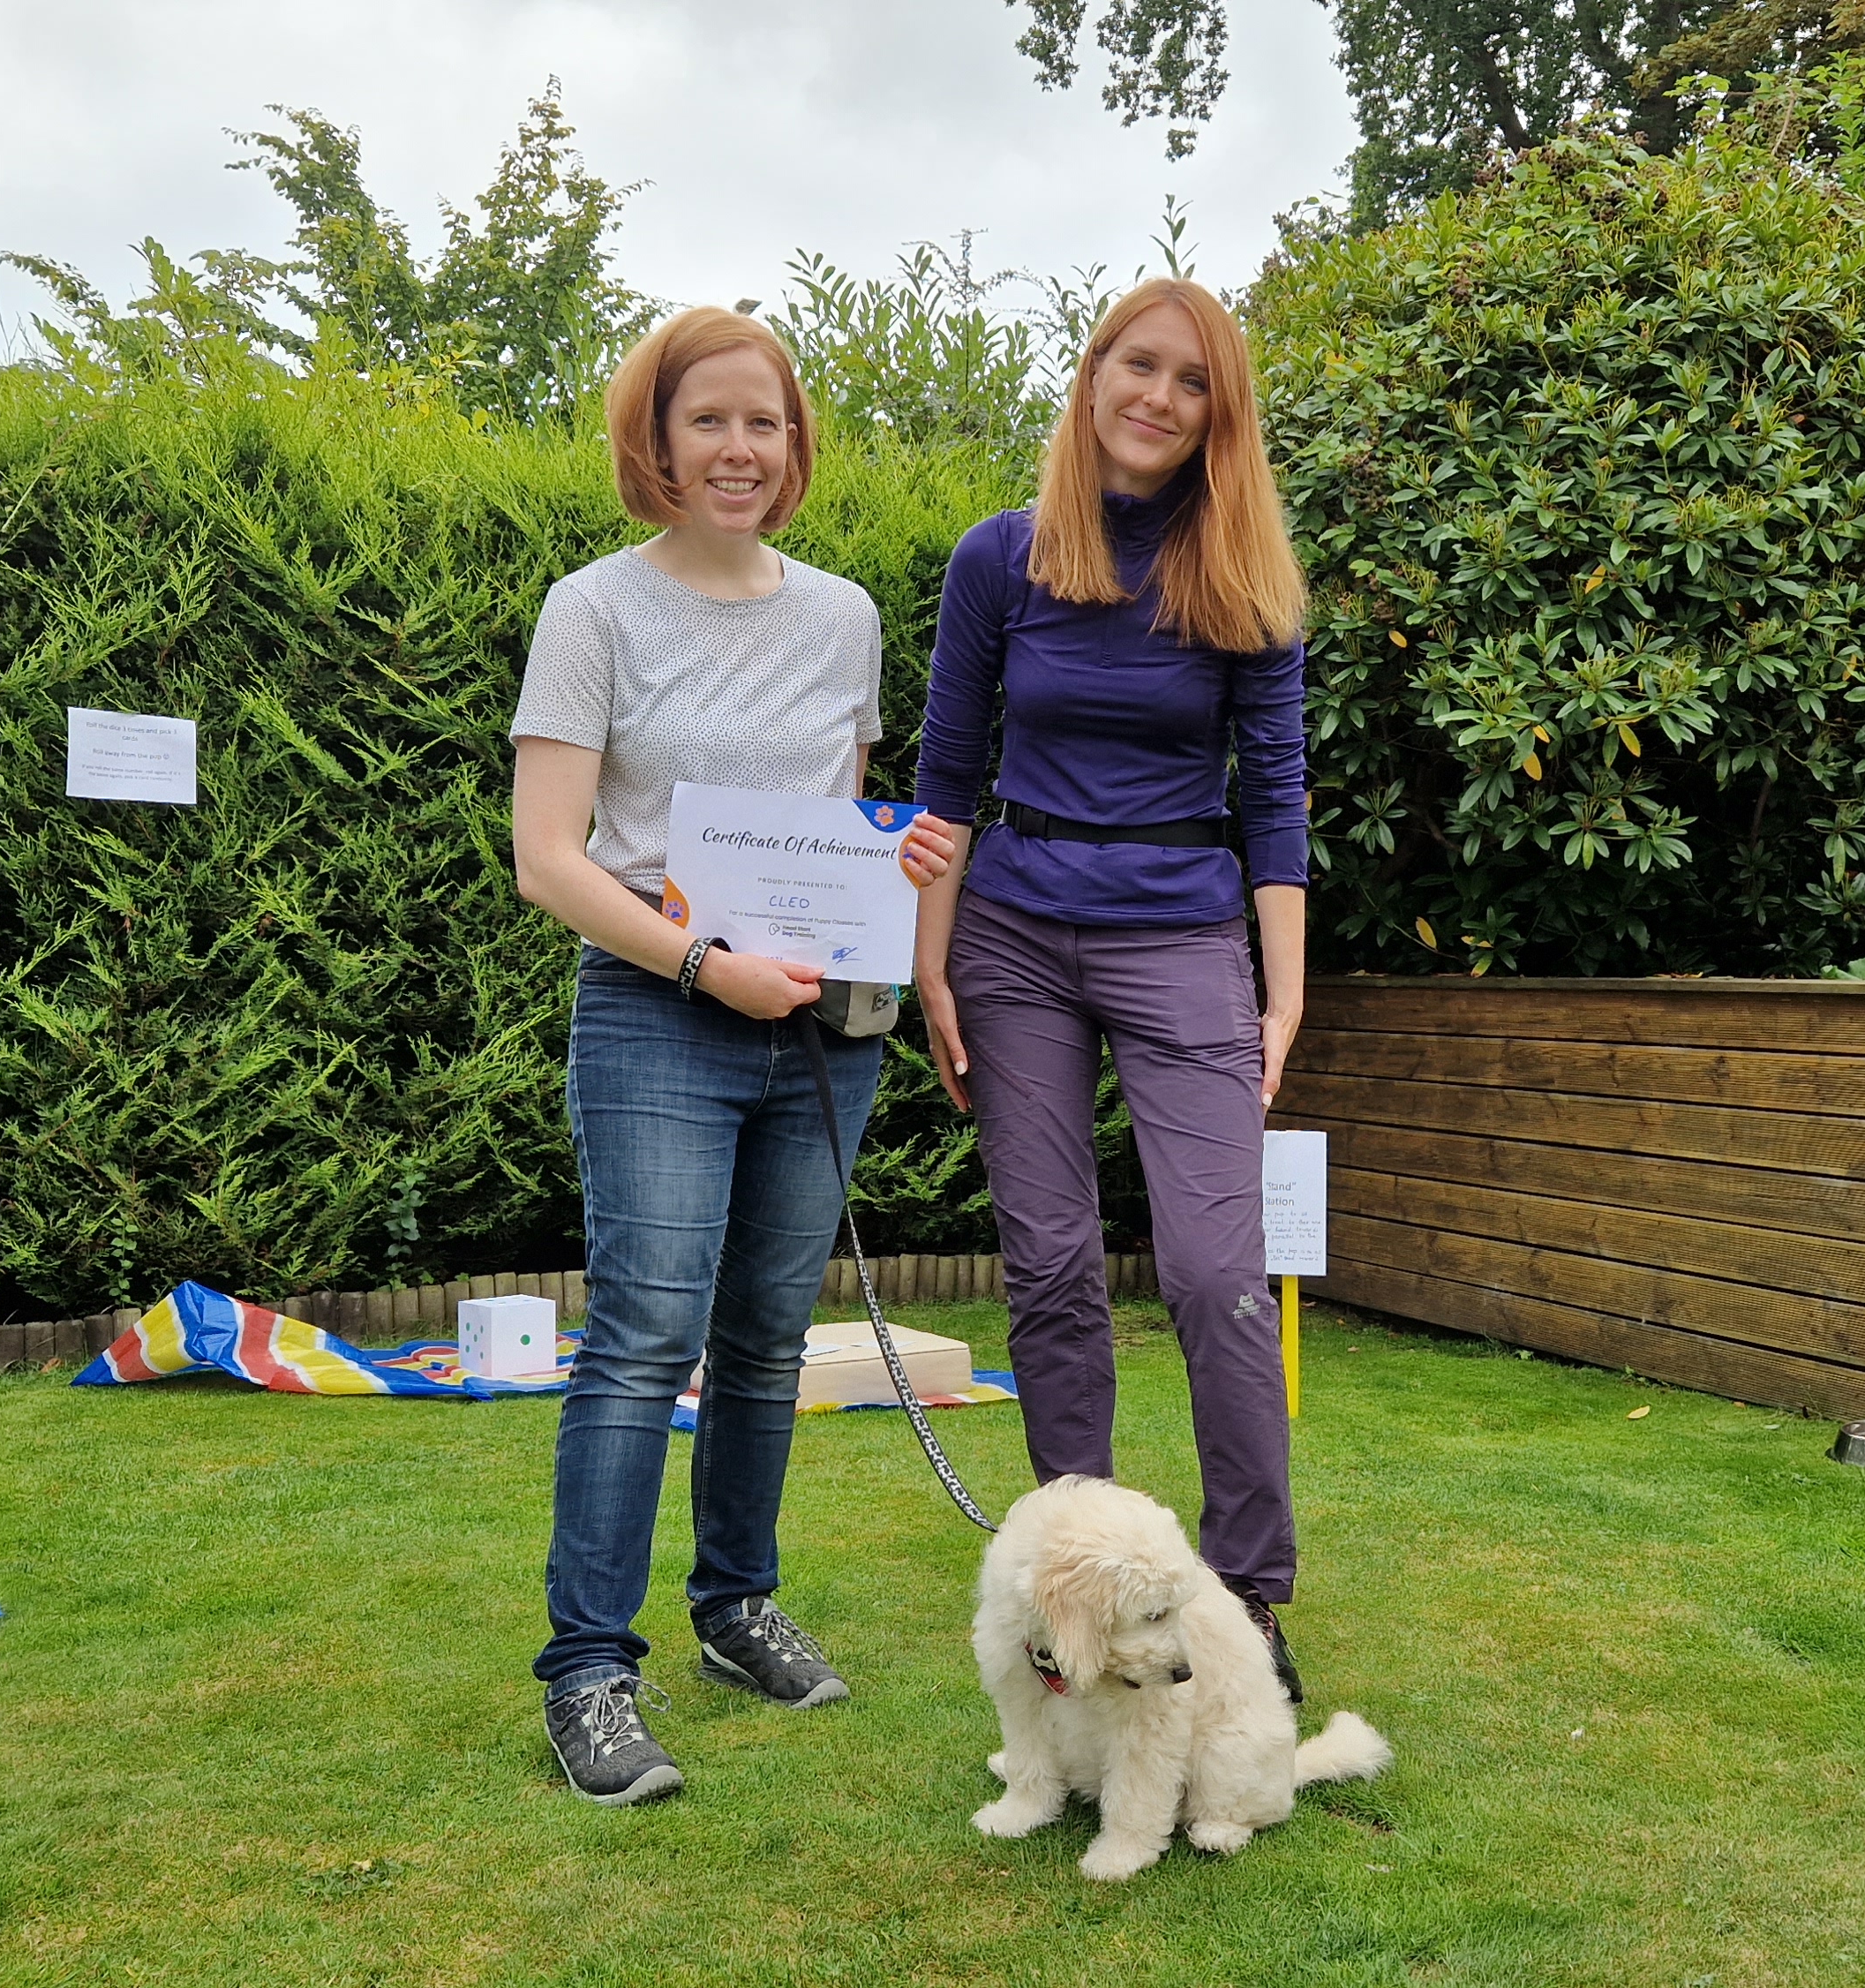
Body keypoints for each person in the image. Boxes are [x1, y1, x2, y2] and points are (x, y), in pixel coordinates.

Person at [509, 305, 958, 1805]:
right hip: (655, 1015)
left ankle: (735, 1609)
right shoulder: (593, 611)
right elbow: (549, 860)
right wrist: (705, 963)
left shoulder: (845, 620)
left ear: (795, 442)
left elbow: (833, 830)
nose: (740, 448)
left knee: (768, 1342)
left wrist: (894, 882)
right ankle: (588, 1674)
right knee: (643, 1343)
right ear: (657, 436)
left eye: (764, 421)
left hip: (823, 1033)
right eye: (710, 419)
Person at [910, 277, 1314, 1702]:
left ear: (1219, 417)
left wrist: (1283, 992)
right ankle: (1072, 1589)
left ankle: (1250, 1598)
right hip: (1011, 936)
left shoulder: (1244, 583)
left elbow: (1275, 796)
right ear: (1090, 380)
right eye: (1135, 366)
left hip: (1182, 936)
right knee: (1054, 1270)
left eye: (1190, 381)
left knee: (1217, 1279)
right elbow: (946, 776)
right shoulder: (1001, 558)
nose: (1156, 395)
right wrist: (931, 968)